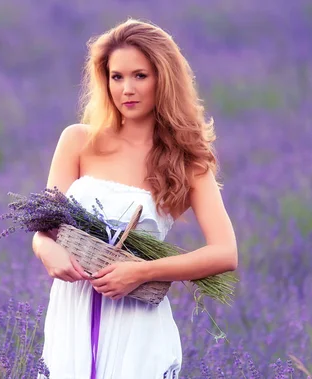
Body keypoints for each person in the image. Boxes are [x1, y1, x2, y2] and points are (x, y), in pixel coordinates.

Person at [32, 18, 238, 379]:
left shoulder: (188, 160)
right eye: (117, 77)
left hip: (137, 326)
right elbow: (45, 227)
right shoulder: (78, 141)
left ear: (164, 78)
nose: (127, 89)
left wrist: (142, 272)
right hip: (70, 314)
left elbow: (225, 253)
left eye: (140, 76)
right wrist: (45, 250)